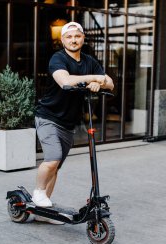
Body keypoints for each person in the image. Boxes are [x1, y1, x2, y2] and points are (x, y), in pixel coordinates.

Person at [32, 22, 114, 224]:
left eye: (77, 36)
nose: (73, 40)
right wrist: (94, 78)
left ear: (83, 39)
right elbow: (65, 81)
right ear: (63, 40)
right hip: (48, 117)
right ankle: (38, 192)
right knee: (52, 158)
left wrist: (98, 83)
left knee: (56, 167)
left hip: (67, 123)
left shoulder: (89, 61)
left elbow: (110, 83)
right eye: (69, 37)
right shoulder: (58, 58)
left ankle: (44, 211)